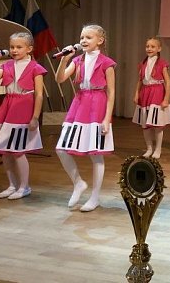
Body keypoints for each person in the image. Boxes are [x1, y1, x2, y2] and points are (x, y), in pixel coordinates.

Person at [54, 24, 115, 212]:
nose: (83, 40)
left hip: (97, 104)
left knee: (95, 153)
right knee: (61, 149)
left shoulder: (106, 63)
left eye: (88, 37)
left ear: (100, 40)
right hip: (80, 103)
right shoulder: (77, 60)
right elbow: (60, 79)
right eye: (82, 37)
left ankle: (95, 197)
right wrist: (64, 60)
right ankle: (78, 182)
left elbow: (111, 92)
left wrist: (107, 118)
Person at [0, 32, 46, 200]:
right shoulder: (7, 65)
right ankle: (12, 185)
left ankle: (24, 187)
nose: (14, 50)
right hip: (8, 106)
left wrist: (35, 117)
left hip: (23, 107)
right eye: (12, 47)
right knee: (4, 150)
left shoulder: (35, 68)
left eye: (19, 47)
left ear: (29, 49)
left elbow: (39, 94)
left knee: (17, 150)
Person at [132, 37, 170, 159]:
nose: (149, 49)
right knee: (145, 124)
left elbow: (168, 83)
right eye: (147, 46)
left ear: (159, 49)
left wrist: (166, 99)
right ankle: (149, 148)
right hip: (145, 93)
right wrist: (136, 93)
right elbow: (140, 81)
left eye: (152, 46)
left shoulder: (162, 63)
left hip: (157, 93)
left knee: (157, 124)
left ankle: (158, 149)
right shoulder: (143, 64)